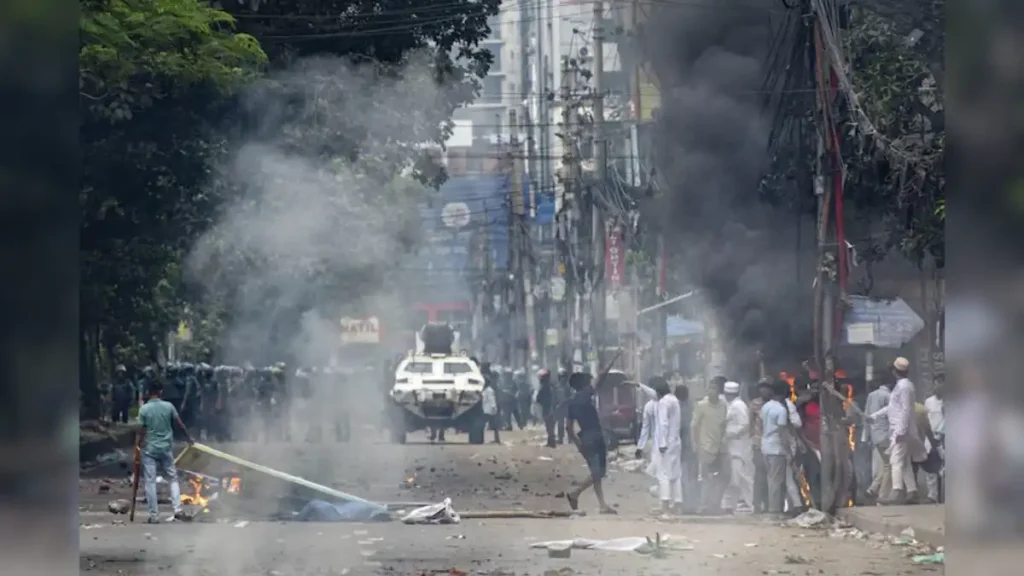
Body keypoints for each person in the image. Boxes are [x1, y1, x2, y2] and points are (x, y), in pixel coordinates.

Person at [872, 357, 927, 505]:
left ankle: (896, 491)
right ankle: (912, 491)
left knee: (895, 460)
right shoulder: (901, 386)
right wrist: (875, 416)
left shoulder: (904, 387)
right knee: (905, 462)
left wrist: (901, 431)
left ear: (894, 371)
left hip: (901, 431)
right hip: (899, 430)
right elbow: (892, 408)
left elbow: (906, 410)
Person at [137, 380, 194, 523]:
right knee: (173, 478)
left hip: (150, 449)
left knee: (150, 482)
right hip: (166, 448)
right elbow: (180, 425)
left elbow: (141, 430)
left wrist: (138, 445)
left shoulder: (144, 409)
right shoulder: (169, 406)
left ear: (148, 393)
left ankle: (154, 516)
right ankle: (178, 510)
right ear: (161, 392)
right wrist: (189, 439)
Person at [564, 372, 616, 514]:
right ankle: (575, 493)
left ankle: (602, 505)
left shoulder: (572, 402)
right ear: (583, 384)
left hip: (585, 438)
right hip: (595, 437)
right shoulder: (585, 394)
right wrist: (614, 359)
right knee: (599, 472)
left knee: (595, 471)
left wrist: (578, 444)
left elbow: (568, 427)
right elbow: (601, 377)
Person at [691, 376, 730, 515]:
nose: (711, 391)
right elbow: (694, 426)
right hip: (706, 447)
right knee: (706, 478)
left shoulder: (723, 405)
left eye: (714, 388)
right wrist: (695, 444)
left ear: (719, 391)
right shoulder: (701, 405)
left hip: (720, 447)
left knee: (724, 476)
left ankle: (715, 504)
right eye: (710, 388)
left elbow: (724, 424)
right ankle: (703, 506)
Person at [653, 376, 683, 514]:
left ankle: (664, 505)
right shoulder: (674, 400)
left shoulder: (663, 403)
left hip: (666, 443)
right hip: (676, 441)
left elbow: (663, 423)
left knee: (663, 474)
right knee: (676, 474)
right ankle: (678, 504)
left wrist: (662, 443)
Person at [760, 380, 790, 516]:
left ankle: (772, 507)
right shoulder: (781, 410)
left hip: (765, 446)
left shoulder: (765, 407)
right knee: (777, 480)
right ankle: (775, 509)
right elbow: (782, 431)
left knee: (770, 479)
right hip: (776, 448)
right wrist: (787, 449)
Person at [723, 381, 754, 513]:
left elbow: (745, 424)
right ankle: (731, 504)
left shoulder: (738, 406)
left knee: (742, 476)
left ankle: (749, 503)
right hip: (732, 445)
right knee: (734, 476)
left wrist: (731, 434)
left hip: (739, 444)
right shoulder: (731, 404)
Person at [863, 376, 892, 504]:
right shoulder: (889, 396)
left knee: (881, 466)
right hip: (887, 436)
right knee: (889, 466)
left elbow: (866, 416)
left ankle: (873, 489)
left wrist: (866, 436)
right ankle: (882, 496)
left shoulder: (871, 396)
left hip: (875, 436)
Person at [675, 384, 699, 513]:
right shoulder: (693, 406)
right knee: (691, 477)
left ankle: (686, 504)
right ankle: (691, 504)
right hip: (692, 447)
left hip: (683, 448)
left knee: (683, 477)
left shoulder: (677, 408)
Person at [749, 378, 770, 513]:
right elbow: (751, 424)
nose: (764, 390)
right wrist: (753, 441)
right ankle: (757, 504)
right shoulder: (755, 404)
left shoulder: (775, 404)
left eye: (766, 387)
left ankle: (768, 504)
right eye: (762, 387)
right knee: (760, 475)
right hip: (758, 444)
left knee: (770, 477)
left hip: (772, 444)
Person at [635, 385, 660, 498]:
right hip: (659, 442)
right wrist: (640, 446)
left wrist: (640, 447)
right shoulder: (651, 406)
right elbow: (646, 428)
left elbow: (645, 428)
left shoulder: (663, 402)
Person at [924, 383, 945, 503]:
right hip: (931, 438)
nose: (938, 388)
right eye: (936, 385)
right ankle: (932, 495)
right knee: (931, 468)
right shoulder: (929, 402)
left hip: (945, 437)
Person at [536, 369, 558, 447]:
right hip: (552, 409)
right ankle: (551, 441)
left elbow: (538, 399)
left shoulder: (544, 387)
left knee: (549, 426)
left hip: (547, 409)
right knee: (550, 426)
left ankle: (552, 442)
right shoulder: (551, 386)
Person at [481, 375, 501, 444]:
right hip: (487, 409)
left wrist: (494, 407)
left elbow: (492, 399)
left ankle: (482, 439)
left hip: (489, 410)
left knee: (482, 424)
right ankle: (497, 439)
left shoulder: (489, 390)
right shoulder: (486, 390)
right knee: (494, 425)